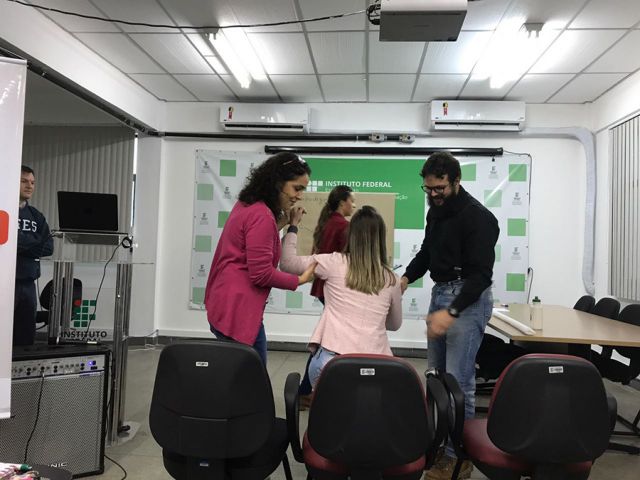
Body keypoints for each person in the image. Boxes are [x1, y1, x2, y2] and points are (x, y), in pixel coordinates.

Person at [400, 152, 499, 480]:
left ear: (456, 182)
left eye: (439, 188)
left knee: (459, 383)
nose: (433, 195)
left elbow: (481, 276)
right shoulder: (436, 213)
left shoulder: (479, 219)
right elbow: (428, 252)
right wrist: (404, 279)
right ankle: (438, 443)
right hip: (440, 293)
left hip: (467, 300)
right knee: (436, 377)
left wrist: (452, 312)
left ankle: (459, 457)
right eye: (427, 189)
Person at [204, 152, 316, 366]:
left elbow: (256, 242)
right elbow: (262, 274)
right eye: (297, 188)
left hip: (227, 304)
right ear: (277, 183)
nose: (299, 195)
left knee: (242, 377)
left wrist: (288, 224)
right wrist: (300, 279)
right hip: (237, 310)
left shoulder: (248, 206)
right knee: (253, 379)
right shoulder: (261, 216)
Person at [280, 205, 402, 385]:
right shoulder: (392, 279)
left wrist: (293, 226)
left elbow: (287, 263)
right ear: (380, 238)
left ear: (350, 234)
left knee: (332, 409)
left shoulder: (331, 262)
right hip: (378, 367)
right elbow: (393, 324)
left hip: (331, 364)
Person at [297, 185, 356, 407]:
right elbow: (347, 263)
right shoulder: (343, 226)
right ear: (343, 202)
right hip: (334, 290)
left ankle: (307, 389)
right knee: (327, 343)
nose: (354, 205)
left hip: (324, 287)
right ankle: (308, 390)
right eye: (352, 200)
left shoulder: (328, 223)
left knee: (325, 340)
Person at [14, 165, 53, 346]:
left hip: (28, 284)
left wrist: (22, 243)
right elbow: (8, 241)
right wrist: (35, 241)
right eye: (24, 181)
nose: (29, 186)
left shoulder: (36, 215)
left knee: (25, 336)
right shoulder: (5, 211)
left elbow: (49, 247)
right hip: (7, 283)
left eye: (32, 182)